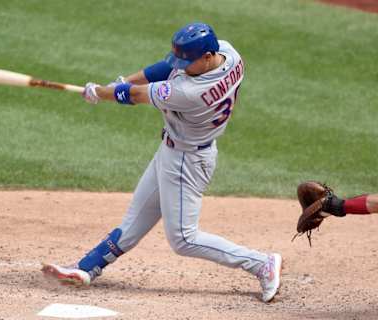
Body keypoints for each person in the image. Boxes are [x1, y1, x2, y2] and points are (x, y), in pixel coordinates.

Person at [42, 22, 282, 303]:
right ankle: (85, 269)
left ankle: (261, 263)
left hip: (187, 161)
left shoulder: (191, 92)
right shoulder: (229, 54)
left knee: (184, 239)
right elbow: (165, 66)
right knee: (135, 220)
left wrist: (100, 92)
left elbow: (137, 95)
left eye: (187, 61)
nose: (181, 66)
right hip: (175, 152)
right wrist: (119, 82)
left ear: (206, 57)